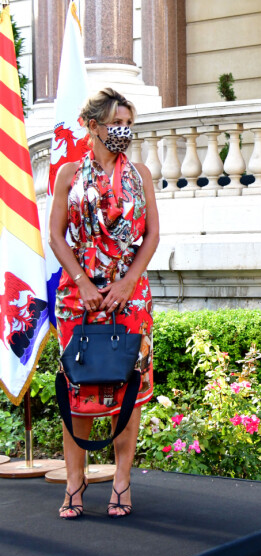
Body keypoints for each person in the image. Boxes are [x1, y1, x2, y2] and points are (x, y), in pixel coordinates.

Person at [49, 88, 160, 520]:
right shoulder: (68, 175)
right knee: (79, 393)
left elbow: (152, 235)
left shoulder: (140, 175)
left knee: (125, 392)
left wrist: (128, 283)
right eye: (117, 123)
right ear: (93, 125)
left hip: (129, 298)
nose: (124, 132)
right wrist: (82, 281)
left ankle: (121, 482)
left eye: (130, 124)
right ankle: (74, 483)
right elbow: (57, 236)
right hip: (78, 299)